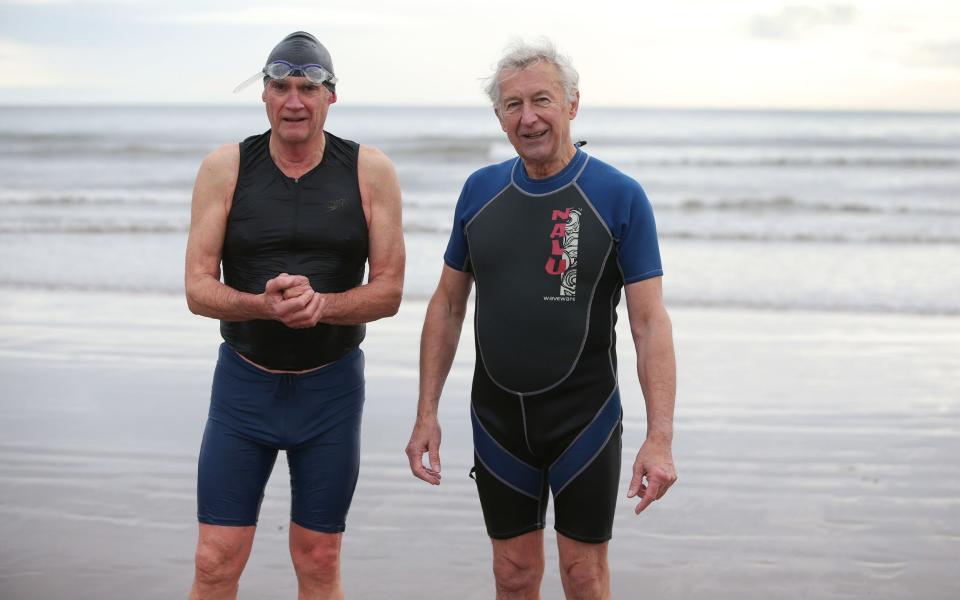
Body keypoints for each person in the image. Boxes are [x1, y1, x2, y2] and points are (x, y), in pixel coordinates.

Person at [406, 40, 676, 599]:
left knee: (583, 577)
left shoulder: (618, 196)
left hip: (585, 417)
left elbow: (650, 325)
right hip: (499, 418)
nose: (528, 117)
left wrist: (660, 439)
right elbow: (448, 304)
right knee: (513, 575)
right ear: (499, 116)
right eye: (512, 105)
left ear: (572, 105)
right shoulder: (480, 193)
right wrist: (425, 412)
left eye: (542, 100)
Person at [184, 31, 404, 600]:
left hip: (328, 394)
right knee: (215, 559)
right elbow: (197, 289)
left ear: (332, 96)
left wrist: (323, 305)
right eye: (280, 86)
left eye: (308, 87)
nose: (294, 101)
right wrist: (262, 305)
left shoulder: (370, 170)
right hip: (243, 389)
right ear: (263, 95)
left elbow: (389, 291)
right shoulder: (225, 166)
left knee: (320, 557)